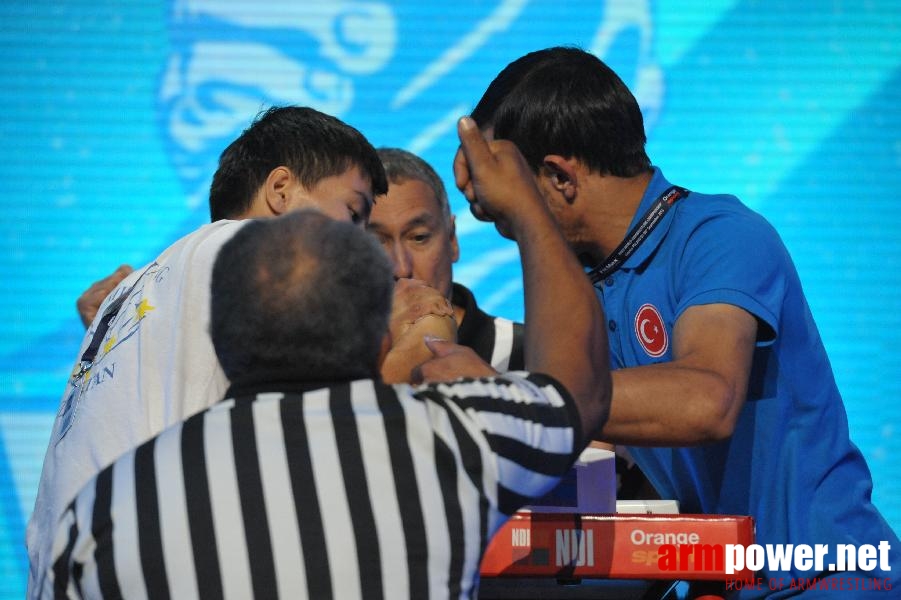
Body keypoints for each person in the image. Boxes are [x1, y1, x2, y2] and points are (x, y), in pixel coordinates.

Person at [42, 119, 612, 597]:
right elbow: (573, 392)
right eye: (358, 217)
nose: (380, 259)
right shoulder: (442, 439)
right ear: (281, 191)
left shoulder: (112, 496)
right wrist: (525, 209)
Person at [457, 46, 899, 593]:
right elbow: (566, 424)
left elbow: (704, 401)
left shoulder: (718, 234)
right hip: (725, 579)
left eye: (511, 199)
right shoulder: (581, 285)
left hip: (828, 579)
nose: (502, 224)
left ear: (559, 177)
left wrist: (498, 396)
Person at [27, 105, 415, 594]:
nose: (364, 248)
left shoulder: (142, 284)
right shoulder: (251, 252)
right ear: (280, 191)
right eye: (354, 216)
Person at [372, 147, 524, 372]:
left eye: (419, 237)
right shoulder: (322, 367)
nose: (402, 269)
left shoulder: (524, 354)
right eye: (375, 242)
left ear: (452, 239)